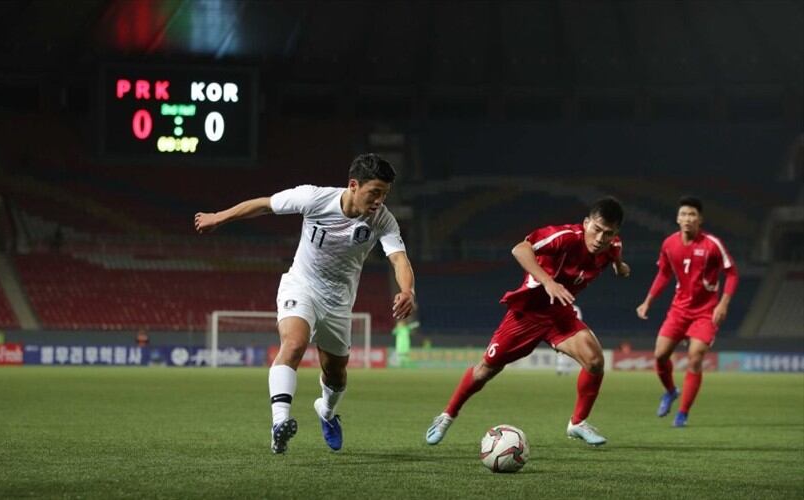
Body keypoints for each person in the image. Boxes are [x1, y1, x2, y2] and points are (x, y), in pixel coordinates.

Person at [194, 153, 416, 454]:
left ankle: (325, 411)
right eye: (374, 192)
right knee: (294, 344)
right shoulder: (313, 198)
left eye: (384, 194)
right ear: (353, 185)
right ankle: (279, 423)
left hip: (339, 301)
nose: (379, 201)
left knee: (336, 374)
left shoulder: (383, 220)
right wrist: (219, 217)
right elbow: (265, 204)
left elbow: (399, 258)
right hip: (302, 285)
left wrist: (408, 290)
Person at [425, 197, 631, 447]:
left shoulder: (612, 245)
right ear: (586, 223)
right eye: (596, 229)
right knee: (486, 369)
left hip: (559, 314)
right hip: (528, 312)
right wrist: (548, 281)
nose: (600, 238)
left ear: (615, 233)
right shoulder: (564, 236)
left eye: (607, 233)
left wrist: (620, 267)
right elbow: (520, 249)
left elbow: (615, 254)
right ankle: (446, 416)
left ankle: (577, 423)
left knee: (595, 361)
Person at [636, 196, 737, 428]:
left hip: (705, 311)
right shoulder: (669, 244)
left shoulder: (712, 244)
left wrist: (723, 304)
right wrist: (648, 302)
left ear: (700, 219)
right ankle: (671, 391)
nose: (687, 218)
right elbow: (663, 274)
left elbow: (732, 273)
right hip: (679, 309)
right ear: (677, 218)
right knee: (660, 355)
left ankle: (682, 413)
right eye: (683, 214)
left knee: (696, 356)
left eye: (692, 214)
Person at [555, 305, 584, 376]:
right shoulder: (560, 306)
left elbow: (579, 320)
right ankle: (560, 369)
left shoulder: (576, 308)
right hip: (562, 332)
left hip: (572, 333)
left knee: (571, 352)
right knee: (561, 352)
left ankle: (567, 370)